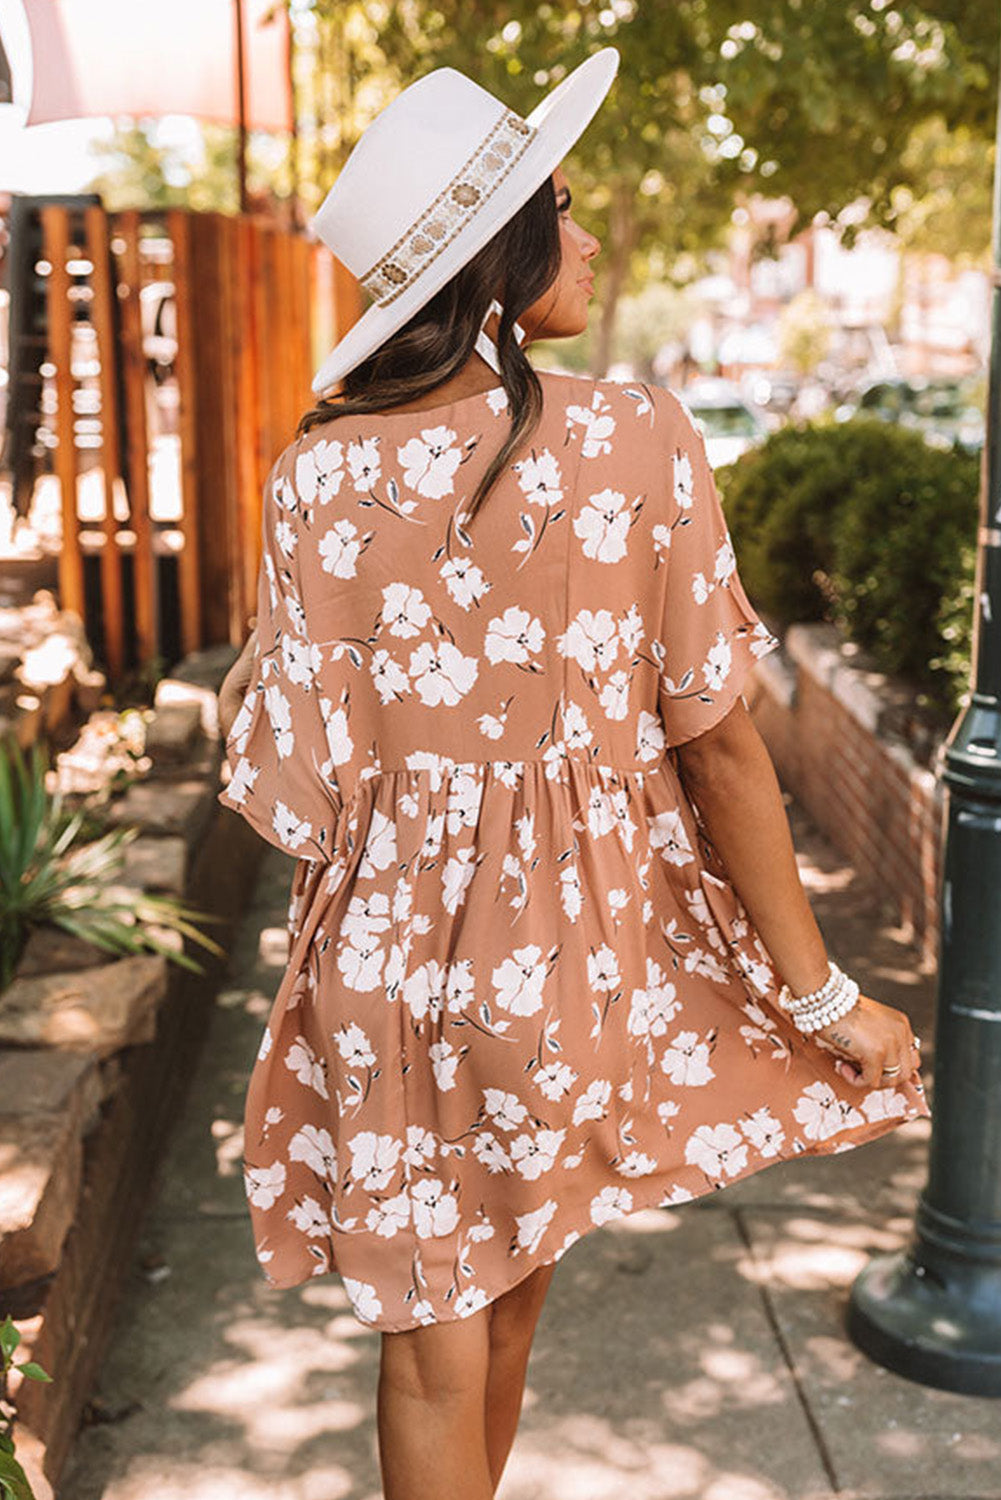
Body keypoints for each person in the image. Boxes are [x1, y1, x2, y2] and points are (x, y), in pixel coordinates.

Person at [216, 49, 928, 1500]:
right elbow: (721, 748)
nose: (588, 234)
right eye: (556, 205)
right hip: (571, 958)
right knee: (515, 1281)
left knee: (433, 1333)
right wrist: (817, 993)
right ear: (496, 257)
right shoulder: (634, 439)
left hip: (388, 962)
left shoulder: (317, 474)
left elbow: (293, 796)